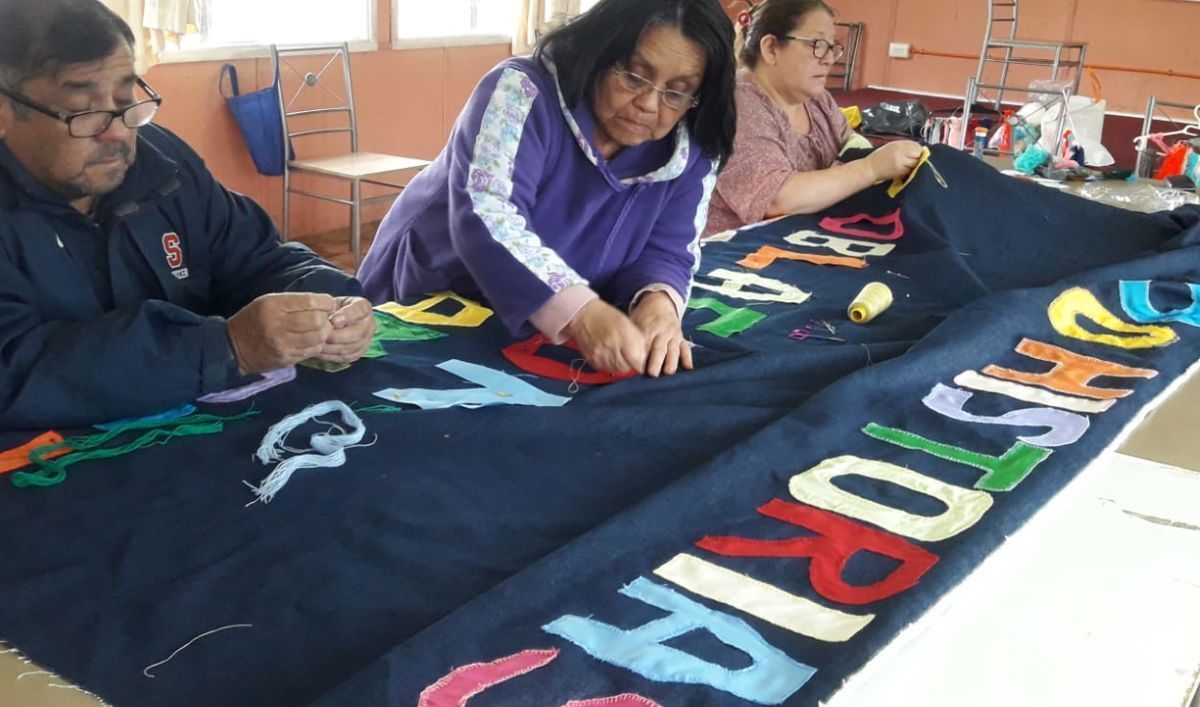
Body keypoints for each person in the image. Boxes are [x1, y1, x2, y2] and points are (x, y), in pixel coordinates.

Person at [0, 0, 375, 429]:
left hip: (190, 437)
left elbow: (256, 257)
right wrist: (225, 348)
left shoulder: (163, 164)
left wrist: (327, 301)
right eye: (85, 113)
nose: (119, 131)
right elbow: (14, 373)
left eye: (126, 100)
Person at [358, 0, 736, 378]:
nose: (649, 104)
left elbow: (668, 247)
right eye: (634, 77)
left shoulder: (692, 146)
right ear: (600, 52)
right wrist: (581, 312)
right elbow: (488, 214)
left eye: (677, 92)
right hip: (440, 291)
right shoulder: (522, 92)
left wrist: (657, 304)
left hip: (548, 323)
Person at [704, 0, 925, 235]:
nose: (830, 58)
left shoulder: (818, 101)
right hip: (730, 256)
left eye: (832, 47)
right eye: (817, 44)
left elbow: (850, 147)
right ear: (771, 48)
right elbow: (777, 199)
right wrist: (870, 168)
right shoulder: (738, 102)